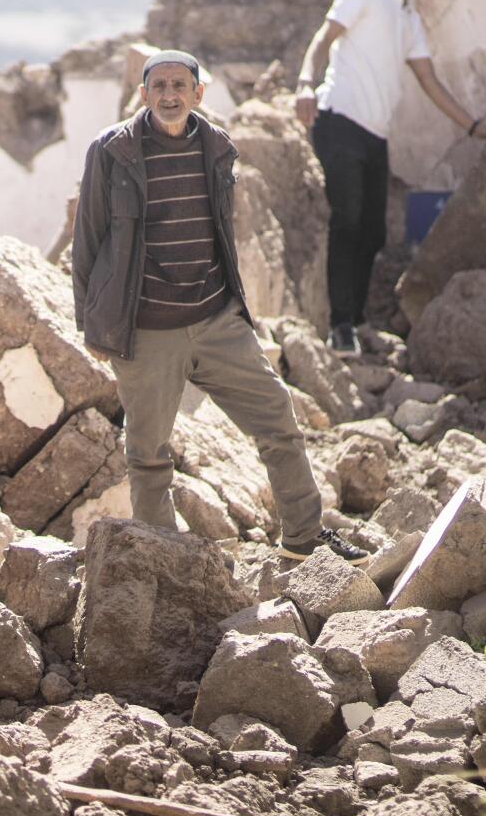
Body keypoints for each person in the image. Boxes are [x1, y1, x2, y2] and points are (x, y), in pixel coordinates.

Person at [71, 51, 369, 563]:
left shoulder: (216, 146)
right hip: (145, 331)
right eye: (159, 85)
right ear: (143, 95)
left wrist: (232, 308)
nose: (169, 95)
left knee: (279, 419)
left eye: (179, 85)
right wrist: (93, 326)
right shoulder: (112, 151)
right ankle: (163, 562)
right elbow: (88, 241)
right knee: (147, 454)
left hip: (216, 321)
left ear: (197, 94)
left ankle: (303, 536)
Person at [293, 0, 486, 355]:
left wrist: (473, 127)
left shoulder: (408, 15)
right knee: (348, 219)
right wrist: (304, 84)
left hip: (375, 135)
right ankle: (340, 327)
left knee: (374, 232)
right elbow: (325, 38)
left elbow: (429, 81)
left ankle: (355, 319)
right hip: (340, 121)